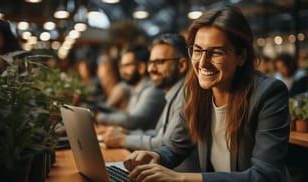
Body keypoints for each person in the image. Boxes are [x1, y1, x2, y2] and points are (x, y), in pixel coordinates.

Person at [123, 5, 291, 182]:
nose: (202, 63)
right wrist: (156, 156)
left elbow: (264, 176)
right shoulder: (195, 92)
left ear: (241, 56)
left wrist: (181, 178)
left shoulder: (269, 94)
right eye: (197, 50)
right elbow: (176, 147)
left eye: (216, 52)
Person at [95, 44, 165, 131]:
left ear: (141, 67)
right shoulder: (135, 88)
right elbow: (126, 114)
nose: (122, 71)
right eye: (121, 66)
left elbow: (132, 121)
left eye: (127, 65)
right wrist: (97, 108)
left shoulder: (152, 90)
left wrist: (99, 117)